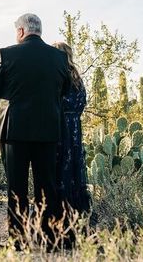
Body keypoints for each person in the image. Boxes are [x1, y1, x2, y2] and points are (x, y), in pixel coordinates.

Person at [0, 14, 70, 248]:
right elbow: (65, 88)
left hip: (15, 130)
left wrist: (11, 92)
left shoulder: (7, 53)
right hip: (48, 131)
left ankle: (18, 241)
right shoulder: (60, 58)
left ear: (21, 31)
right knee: (47, 186)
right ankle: (49, 239)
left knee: (17, 187)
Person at [53, 41, 91, 224]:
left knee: (59, 167)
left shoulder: (57, 76)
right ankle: (76, 213)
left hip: (59, 126)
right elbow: (82, 103)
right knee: (73, 168)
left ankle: (59, 212)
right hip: (75, 127)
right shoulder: (77, 78)